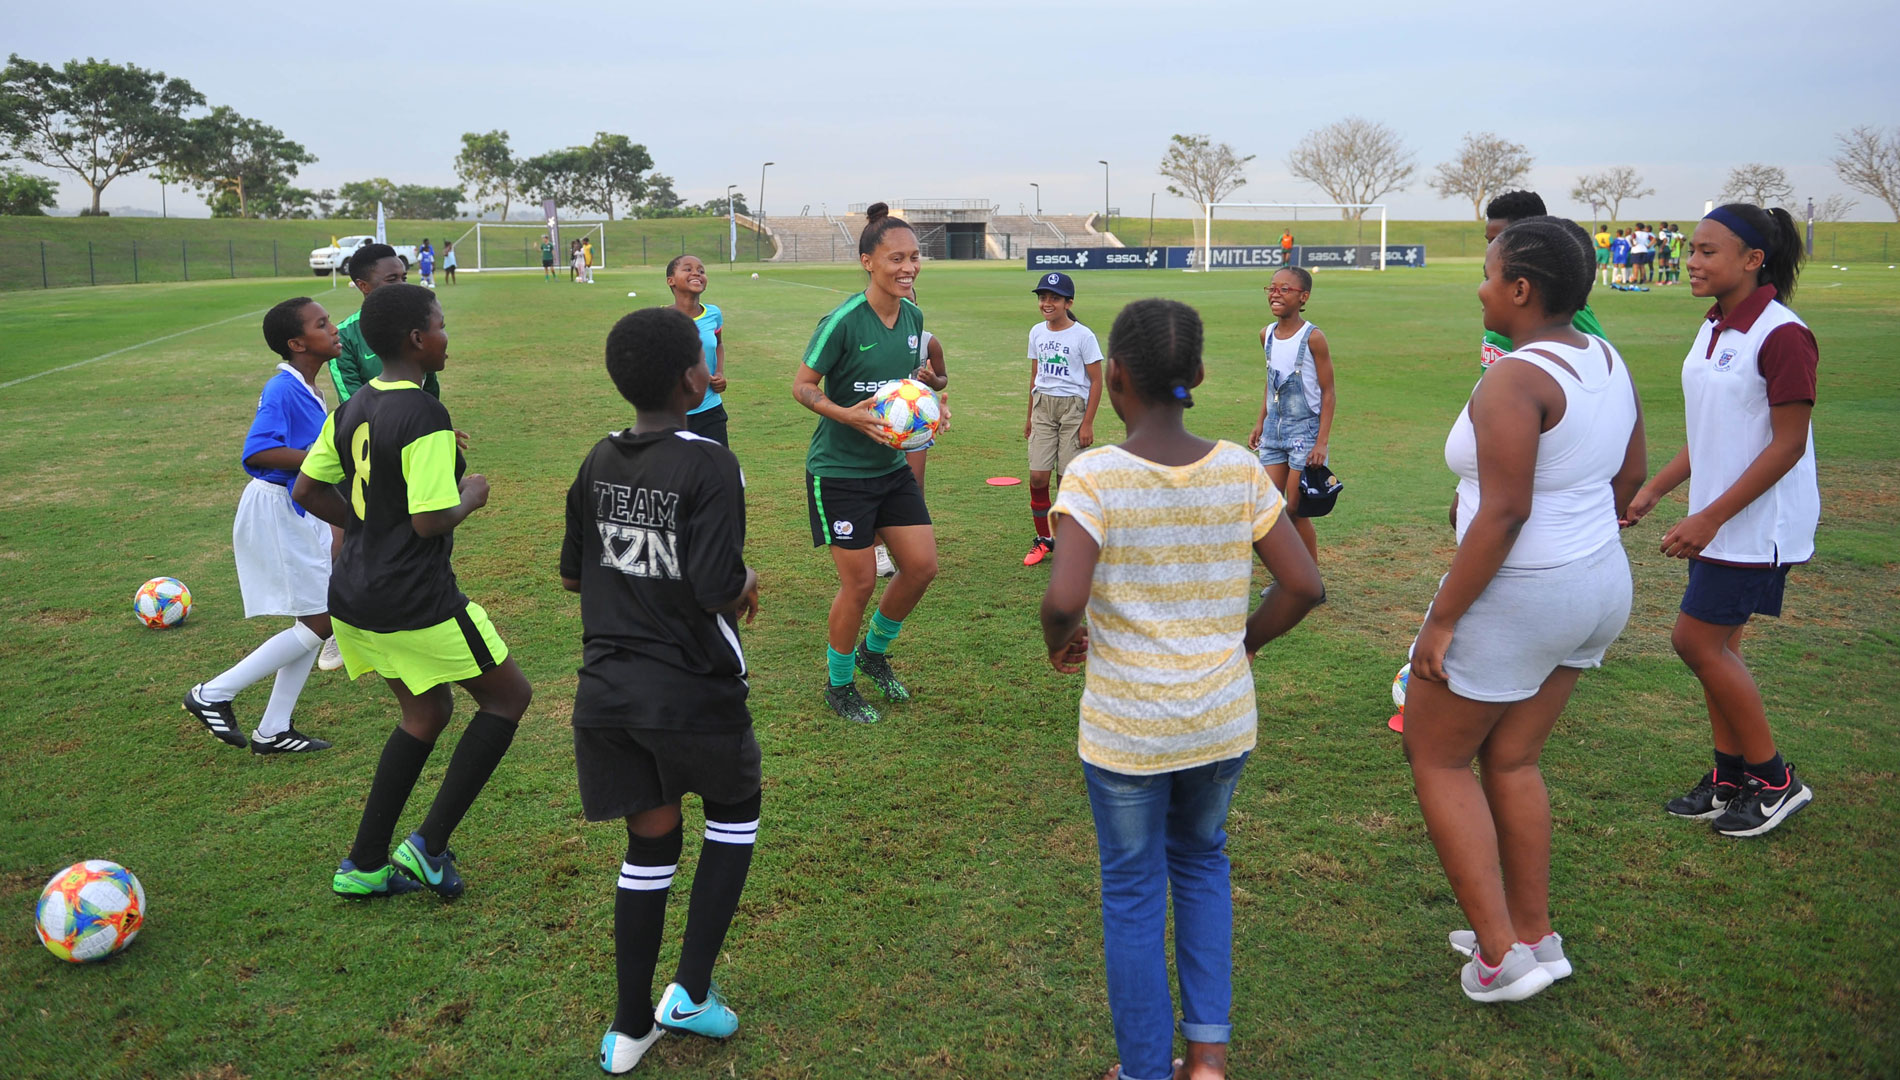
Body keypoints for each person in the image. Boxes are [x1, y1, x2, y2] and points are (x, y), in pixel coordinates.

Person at [1040, 297, 1323, 1080]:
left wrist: (1059, 643)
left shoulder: (1094, 475)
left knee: (1133, 892)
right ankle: (1206, 1062)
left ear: (1118, 375)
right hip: (1219, 719)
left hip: (1128, 728)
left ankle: (1142, 1070)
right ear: (1196, 375)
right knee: (1201, 866)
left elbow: (1064, 600)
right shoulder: (1237, 466)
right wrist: (1242, 646)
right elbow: (1302, 585)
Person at [1407, 216, 1645, 1003]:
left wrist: (1442, 619)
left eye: (1487, 271)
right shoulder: (1605, 356)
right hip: (1596, 585)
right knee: (1511, 758)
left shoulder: (1514, 377)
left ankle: (1501, 959)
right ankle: (1534, 935)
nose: (1479, 285)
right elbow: (1627, 477)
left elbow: (1503, 514)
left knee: (1438, 757)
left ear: (1520, 289)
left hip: (1525, 591)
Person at [562, 307, 762, 1073]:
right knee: (734, 817)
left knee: (650, 842)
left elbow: (575, 573)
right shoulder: (711, 461)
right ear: (693, 378)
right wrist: (746, 578)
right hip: (691, 691)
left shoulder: (596, 457)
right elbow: (714, 583)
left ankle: (628, 1026)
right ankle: (691, 994)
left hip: (606, 693)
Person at [292, 283, 533, 899]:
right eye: (442, 325)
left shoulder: (354, 405)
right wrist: (471, 495)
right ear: (418, 340)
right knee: (508, 698)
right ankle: (427, 847)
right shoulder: (426, 412)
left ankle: (364, 864)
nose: (448, 336)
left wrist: (368, 527)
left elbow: (308, 491)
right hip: (414, 598)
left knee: (425, 712)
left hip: (353, 594)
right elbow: (431, 519)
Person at [1624, 203, 1819, 839]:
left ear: (1753, 260)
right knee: (1719, 649)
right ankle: (1729, 776)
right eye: (1692, 249)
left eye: (1709, 251)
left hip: (1758, 524)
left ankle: (1775, 780)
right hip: (1721, 517)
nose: (1693, 261)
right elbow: (1711, 433)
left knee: (1696, 643)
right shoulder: (1714, 327)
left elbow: (1787, 444)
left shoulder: (1782, 334)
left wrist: (1708, 516)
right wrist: (1657, 488)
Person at [790, 202, 939, 725]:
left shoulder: (915, 317)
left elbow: (908, 386)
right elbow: (803, 387)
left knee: (921, 567)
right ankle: (839, 683)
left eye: (915, 257)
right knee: (858, 584)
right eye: (896, 258)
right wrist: (846, 416)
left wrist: (927, 413)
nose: (908, 267)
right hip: (839, 473)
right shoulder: (843, 322)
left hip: (889, 468)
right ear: (867, 261)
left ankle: (874, 651)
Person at [183, 298, 344, 755]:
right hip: (276, 507)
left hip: (301, 507)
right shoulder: (282, 388)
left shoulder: (309, 388)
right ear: (297, 343)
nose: (333, 328)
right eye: (321, 324)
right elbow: (256, 453)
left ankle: (273, 729)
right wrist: (328, 460)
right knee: (321, 618)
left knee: (316, 616)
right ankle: (212, 693)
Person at [1246, 266, 1334, 565]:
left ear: (1303, 296)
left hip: (1303, 433)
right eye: (1272, 288)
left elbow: (1328, 393)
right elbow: (1271, 383)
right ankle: (1288, 578)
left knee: (1295, 510)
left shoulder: (1314, 338)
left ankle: (1310, 581)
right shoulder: (1266, 335)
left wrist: (1321, 443)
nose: (1275, 294)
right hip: (1273, 431)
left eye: (1285, 289)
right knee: (1272, 509)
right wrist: (1260, 422)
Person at [1021, 271, 1103, 567]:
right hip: (1043, 407)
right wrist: (1030, 415)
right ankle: (1044, 540)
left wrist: (1088, 422)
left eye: (1054, 298)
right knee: (1038, 476)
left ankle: (1068, 542)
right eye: (1043, 297)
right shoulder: (1036, 332)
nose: (1047, 303)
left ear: (1068, 302)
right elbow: (1035, 375)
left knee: (1066, 481)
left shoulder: (1083, 335)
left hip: (1073, 410)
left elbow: (1096, 381)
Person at [1480, 192, 1608, 369]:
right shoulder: (1499, 301)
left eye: (1501, 240)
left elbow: (1601, 361)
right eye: (1490, 241)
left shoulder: (1557, 302)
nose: (1492, 249)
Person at [878, 327, 949, 579]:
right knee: (877, 485)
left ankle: (910, 544)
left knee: (914, 484)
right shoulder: (876, 339)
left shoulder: (929, 342)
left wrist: (932, 381)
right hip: (884, 423)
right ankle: (878, 549)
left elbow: (942, 380)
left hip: (916, 424)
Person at [330, 243, 439, 403]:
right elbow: (352, 404)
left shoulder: (417, 324)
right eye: (392, 279)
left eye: (404, 278)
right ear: (363, 286)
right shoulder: (344, 336)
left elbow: (430, 391)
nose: (402, 286)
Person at [666, 255, 730, 446]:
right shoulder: (660, 319)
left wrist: (719, 373)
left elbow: (718, 344)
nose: (696, 273)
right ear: (671, 281)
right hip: (671, 414)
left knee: (716, 471)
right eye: (687, 269)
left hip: (711, 411)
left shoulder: (713, 314)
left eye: (701, 271)